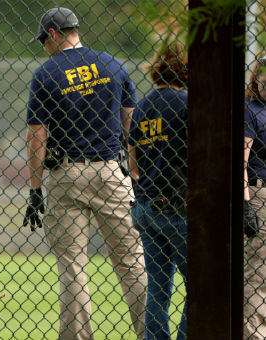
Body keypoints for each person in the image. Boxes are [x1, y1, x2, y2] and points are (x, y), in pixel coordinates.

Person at [23, 7, 147, 340]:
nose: (44, 48)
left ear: (52, 34)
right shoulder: (112, 64)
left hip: (67, 174)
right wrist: (135, 172)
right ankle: (151, 333)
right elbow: (130, 124)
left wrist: (35, 189)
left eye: (43, 41)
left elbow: (37, 136)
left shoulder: (46, 74)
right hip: (112, 169)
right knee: (132, 261)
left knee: (73, 266)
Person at [127, 43, 188, 340]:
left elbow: (133, 162)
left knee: (159, 287)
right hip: (179, 206)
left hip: (147, 205)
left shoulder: (143, 106)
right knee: (203, 283)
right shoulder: (187, 103)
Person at [242, 55, 266, 340]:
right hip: (258, 191)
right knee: (257, 270)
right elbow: (241, 162)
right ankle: (253, 335)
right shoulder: (250, 109)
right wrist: (247, 203)